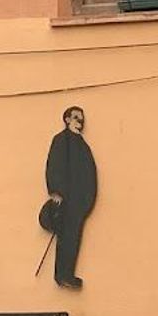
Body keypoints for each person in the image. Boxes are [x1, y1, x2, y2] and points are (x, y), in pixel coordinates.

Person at [42, 105, 97, 289]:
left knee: (74, 238)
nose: (80, 122)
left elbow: (88, 173)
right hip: (65, 200)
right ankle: (62, 274)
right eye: (76, 117)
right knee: (65, 238)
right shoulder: (61, 140)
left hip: (79, 203)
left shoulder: (82, 145)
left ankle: (68, 273)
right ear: (67, 119)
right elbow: (54, 166)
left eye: (81, 119)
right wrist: (56, 192)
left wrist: (86, 201)